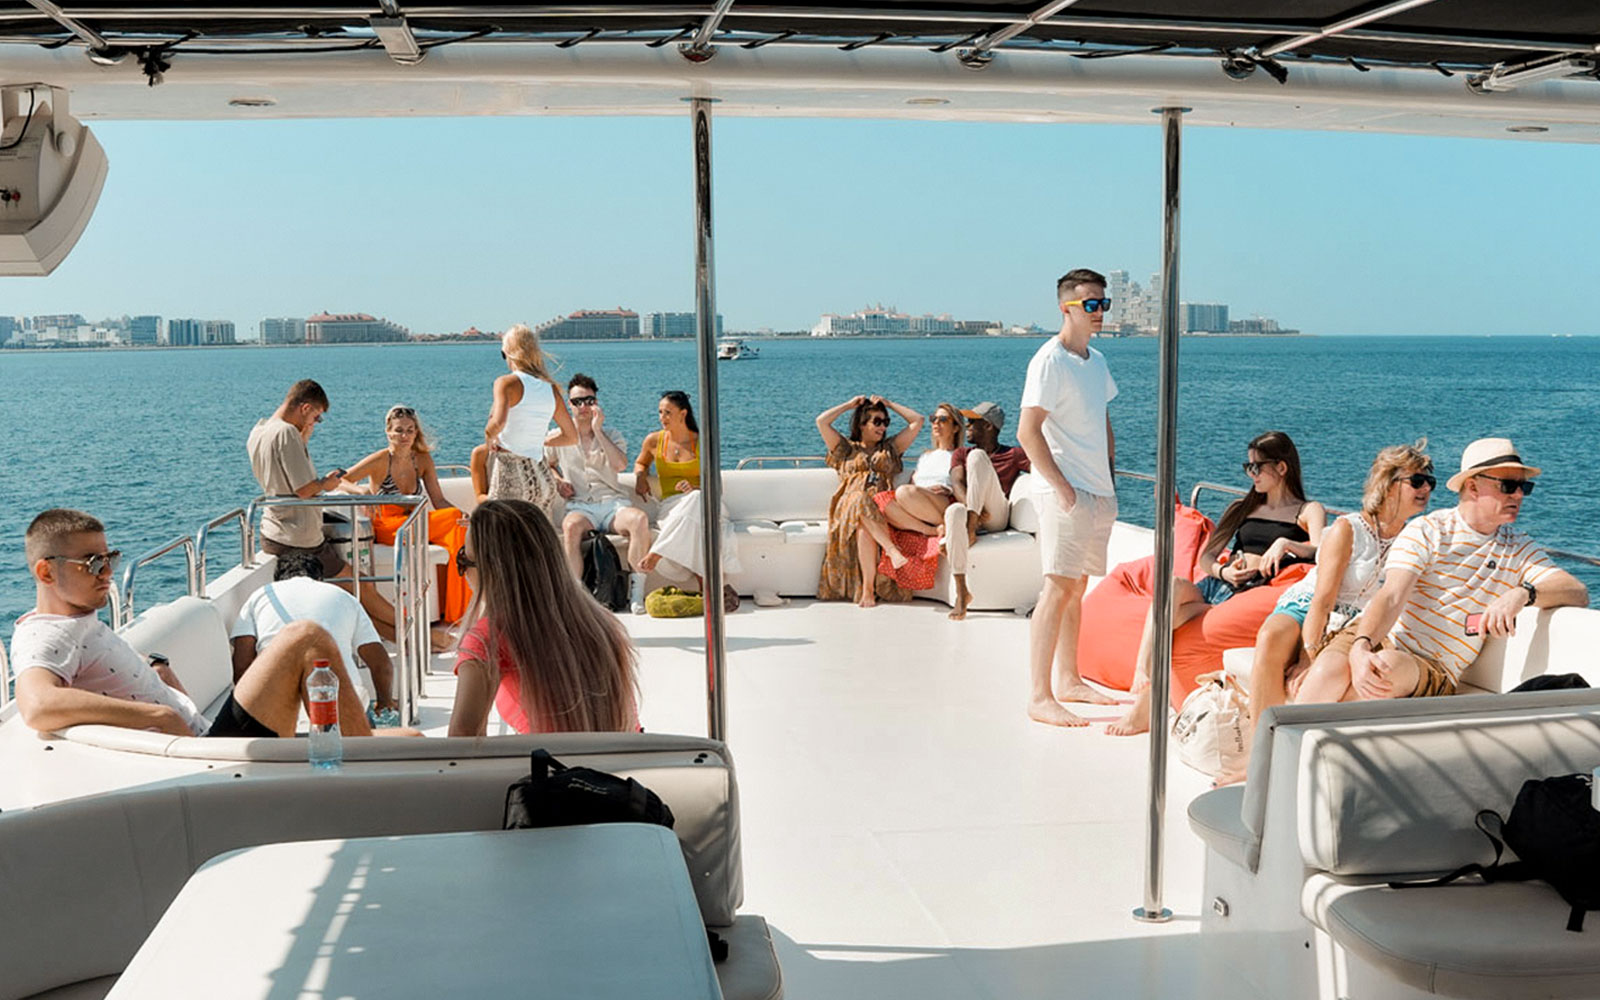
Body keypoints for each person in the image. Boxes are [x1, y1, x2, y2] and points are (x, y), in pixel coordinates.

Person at [12, 509, 376, 738]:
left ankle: (360, 757)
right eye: (93, 563)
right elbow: (38, 705)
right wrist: (160, 715)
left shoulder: (80, 622)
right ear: (45, 571)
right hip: (210, 757)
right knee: (304, 635)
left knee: (409, 741)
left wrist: (157, 673)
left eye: (111, 559)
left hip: (207, 729)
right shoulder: (45, 634)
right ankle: (358, 771)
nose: (108, 573)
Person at [1295, 437, 1587, 704]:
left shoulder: (1519, 549)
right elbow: (1392, 595)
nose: (1520, 495)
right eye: (1509, 486)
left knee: (1384, 670)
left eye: (1525, 487)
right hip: (1376, 634)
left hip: (1433, 665)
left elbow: (1577, 591)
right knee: (1327, 671)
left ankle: (1312, 752)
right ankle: (1285, 755)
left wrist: (1523, 594)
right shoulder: (1429, 530)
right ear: (1472, 486)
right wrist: (1361, 647)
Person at [1212, 441, 1433, 785]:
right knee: (1270, 638)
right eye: (1417, 481)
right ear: (1389, 484)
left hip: (1356, 623)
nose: (1427, 489)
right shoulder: (1349, 529)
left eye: (1429, 482)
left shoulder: (1415, 538)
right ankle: (1259, 756)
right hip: (1309, 606)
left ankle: (1301, 760)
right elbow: (1322, 599)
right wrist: (1307, 655)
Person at [1109, 430, 1325, 736]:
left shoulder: (1307, 511)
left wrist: (1286, 545)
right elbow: (1206, 557)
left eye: (1256, 467)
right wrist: (1224, 573)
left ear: (1281, 467)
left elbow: (1322, 550)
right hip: (1218, 587)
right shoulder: (1243, 507)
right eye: (1247, 467)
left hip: (1252, 596)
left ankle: (1145, 703)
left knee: (1171, 623)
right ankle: (1143, 675)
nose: (1251, 474)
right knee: (1171, 590)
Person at [1017, 269, 1122, 727]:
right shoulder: (1049, 360)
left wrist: (1110, 480)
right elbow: (1027, 431)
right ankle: (1040, 696)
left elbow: (1102, 421)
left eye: (1104, 303)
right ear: (1067, 308)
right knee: (1057, 588)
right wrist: (1062, 488)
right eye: (1091, 304)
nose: (1100, 312)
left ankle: (1070, 679)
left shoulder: (1096, 361)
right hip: (1068, 493)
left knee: (1077, 587)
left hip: (1098, 490)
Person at [448, 499, 640, 736]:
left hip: (550, 769)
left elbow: (462, 749)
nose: (463, 572)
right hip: (616, 768)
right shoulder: (599, 622)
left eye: (463, 561)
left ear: (491, 569)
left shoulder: (489, 639)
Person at [247, 379, 400, 641]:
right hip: (300, 537)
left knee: (356, 595)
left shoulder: (259, 431)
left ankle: (414, 639)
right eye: (317, 417)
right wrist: (327, 483)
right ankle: (422, 634)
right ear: (305, 407)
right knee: (362, 588)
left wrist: (304, 436)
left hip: (274, 530)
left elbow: (280, 477)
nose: (316, 423)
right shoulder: (286, 433)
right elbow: (304, 489)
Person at [340, 405, 471, 625]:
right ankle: (457, 612)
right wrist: (361, 491)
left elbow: (438, 500)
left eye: (410, 430)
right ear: (388, 432)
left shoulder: (421, 460)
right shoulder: (380, 459)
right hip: (388, 526)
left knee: (459, 524)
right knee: (454, 524)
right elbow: (341, 479)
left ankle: (453, 610)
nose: (405, 436)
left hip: (416, 522)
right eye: (399, 430)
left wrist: (462, 514)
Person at [230, 551, 398, 721]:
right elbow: (381, 665)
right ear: (320, 579)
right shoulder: (345, 597)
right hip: (339, 703)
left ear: (278, 580)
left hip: (275, 706)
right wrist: (385, 703)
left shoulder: (260, 596)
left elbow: (241, 666)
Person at [547, 373, 652, 614]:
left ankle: (636, 595)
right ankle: (575, 595)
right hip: (580, 505)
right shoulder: (557, 436)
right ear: (569, 404)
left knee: (639, 520)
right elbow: (547, 464)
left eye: (588, 400)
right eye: (577, 402)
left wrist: (597, 430)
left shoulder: (612, 434)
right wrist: (559, 480)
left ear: (596, 402)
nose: (583, 406)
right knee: (571, 527)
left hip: (612, 503)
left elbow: (620, 465)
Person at [633, 390, 743, 612]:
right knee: (697, 529)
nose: (662, 418)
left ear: (683, 414)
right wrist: (641, 477)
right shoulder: (654, 440)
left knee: (696, 498)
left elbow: (716, 487)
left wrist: (695, 487)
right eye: (660, 412)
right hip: (672, 507)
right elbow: (640, 463)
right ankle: (708, 589)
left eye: (667, 413)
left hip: (708, 503)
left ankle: (658, 552)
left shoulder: (702, 442)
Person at [815, 394, 925, 607]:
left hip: (882, 508)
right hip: (849, 505)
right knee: (860, 499)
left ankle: (868, 590)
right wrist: (848, 405)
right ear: (862, 424)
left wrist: (890, 403)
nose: (882, 427)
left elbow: (917, 421)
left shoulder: (890, 449)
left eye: (885, 422)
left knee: (865, 527)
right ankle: (892, 552)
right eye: (877, 421)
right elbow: (822, 421)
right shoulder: (845, 448)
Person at [944, 400, 1032, 620]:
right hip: (971, 509)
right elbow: (956, 484)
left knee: (977, 457)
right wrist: (972, 506)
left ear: (989, 426)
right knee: (954, 511)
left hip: (996, 515)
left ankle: (970, 527)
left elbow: (1043, 466)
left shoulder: (1013, 454)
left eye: (973, 422)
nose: (968, 426)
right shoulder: (961, 453)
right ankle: (962, 591)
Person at [482, 323, 579, 520]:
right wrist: (538, 440)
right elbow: (571, 437)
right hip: (542, 476)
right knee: (535, 541)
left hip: (511, 472)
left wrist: (488, 436)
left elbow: (498, 424)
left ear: (509, 353)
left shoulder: (506, 383)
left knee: (501, 536)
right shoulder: (550, 389)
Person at [872, 402, 964, 593]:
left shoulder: (960, 455)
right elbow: (914, 485)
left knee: (904, 492)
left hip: (941, 501)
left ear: (956, 427)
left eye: (943, 419)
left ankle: (935, 525)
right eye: (934, 419)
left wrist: (950, 490)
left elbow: (965, 485)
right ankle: (930, 530)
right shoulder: (925, 456)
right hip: (918, 502)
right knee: (877, 500)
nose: (936, 423)